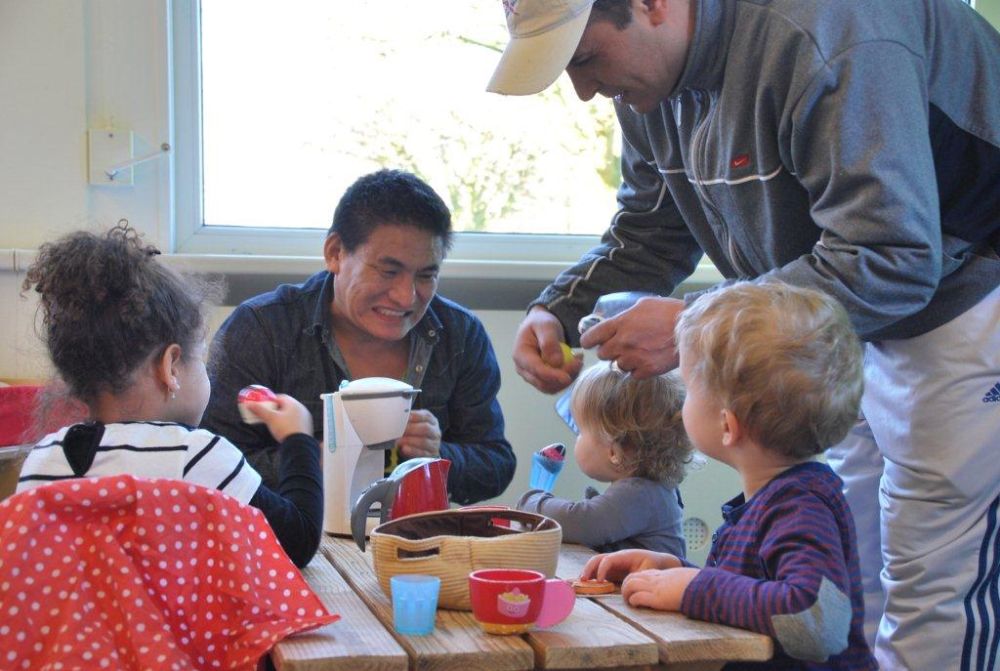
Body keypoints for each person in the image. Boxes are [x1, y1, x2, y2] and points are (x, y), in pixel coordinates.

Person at [489, 1, 1000, 667]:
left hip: (964, 299)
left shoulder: (828, 31)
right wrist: (560, 308)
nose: (583, 89)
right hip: (829, 322)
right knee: (854, 588)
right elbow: (652, 227)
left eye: (584, 58)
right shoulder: (649, 87)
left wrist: (698, 325)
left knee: (931, 593)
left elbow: (892, 254)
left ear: (652, 5)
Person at [582, 281, 875, 669]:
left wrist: (694, 588)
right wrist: (674, 573)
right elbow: (759, 594)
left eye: (689, 387)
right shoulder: (780, 496)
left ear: (727, 425)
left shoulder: (801, 508)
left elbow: (816, 622)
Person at [16, 223, 322, 567]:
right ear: (171, 366)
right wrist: (298, 438)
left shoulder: (43, 461)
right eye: (201, 359)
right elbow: (298, 542)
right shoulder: (194, 454)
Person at [201, 169, 515, 505]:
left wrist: (439, 455)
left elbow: (496, 464)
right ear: (335, 252)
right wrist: (312, 460)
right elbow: (210, 462)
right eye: (389, 271)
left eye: (426, 275)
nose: (406, 297)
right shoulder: (262, 328)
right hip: (291, 542)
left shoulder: (461, 334)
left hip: (415, 540)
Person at [516, 362, 690, 554]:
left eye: (581, 431)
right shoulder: (648, 490)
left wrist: (530, 504)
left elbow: (579, 523)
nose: (578, 438)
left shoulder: (640, 495)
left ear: (614, 453)